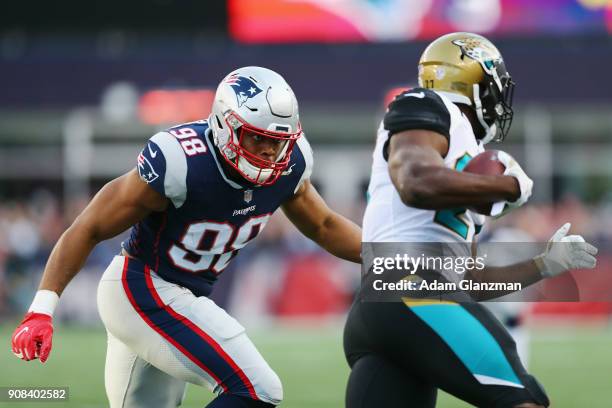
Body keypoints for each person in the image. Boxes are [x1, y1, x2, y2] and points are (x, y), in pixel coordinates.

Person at [11, 66, 362, 408]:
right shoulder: (181, 161)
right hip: (141, 289)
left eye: (277, 141)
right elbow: (89, 226)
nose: (270, 152)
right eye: (257, 137)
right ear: (226, 125)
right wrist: (42, 309)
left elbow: (325, 225)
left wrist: (398, 264)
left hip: (180, 296)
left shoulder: (291, 165)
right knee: (257, 389)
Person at [343, 32, 598, 408]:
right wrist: (507, 186)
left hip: (386, 309)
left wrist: (545, 264)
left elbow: (470, 282)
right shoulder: (428, 105)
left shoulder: (462, 156)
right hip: (410, 289)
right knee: (524, 401)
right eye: (493, 89)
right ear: (470, 85)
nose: (498, 102)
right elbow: (414, 182)